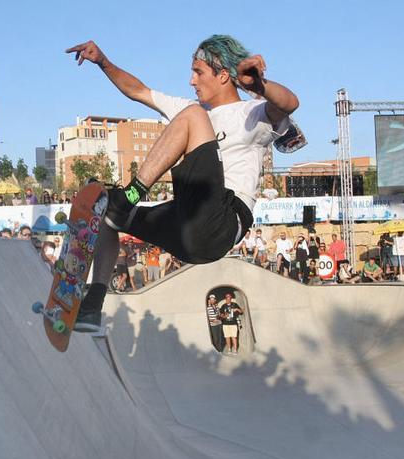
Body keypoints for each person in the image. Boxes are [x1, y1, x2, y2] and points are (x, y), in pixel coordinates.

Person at [67, 35, 298, 331]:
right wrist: (103, 62)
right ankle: (92, 305)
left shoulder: (252, 115)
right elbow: (138, 91)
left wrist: (258, 86)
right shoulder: (191, 110)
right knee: (107, 213)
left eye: (198, 72)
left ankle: (131, 195)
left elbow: (290, 103)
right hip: (188, 231)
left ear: (224, 75)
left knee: (192, 116)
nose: (191, 81)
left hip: (222, 220)